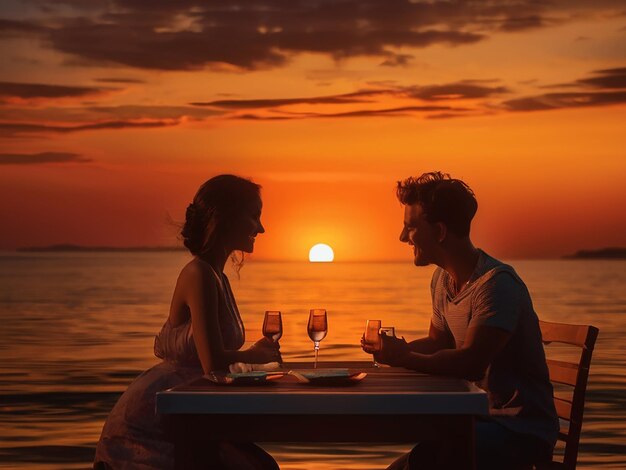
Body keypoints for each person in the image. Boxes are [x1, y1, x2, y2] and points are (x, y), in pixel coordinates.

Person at [362, 172, 559, 469]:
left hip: (519, 433)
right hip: (476, 421)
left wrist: (406, 357)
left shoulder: (497, 284)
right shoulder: (442, 280)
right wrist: (392, 354)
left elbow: (470, 363)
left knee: (423, 462)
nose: (403, 237)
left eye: (411, 227)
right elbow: (437, 343)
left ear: (440, 231)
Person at [94, 174, 282, 470]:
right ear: (227, 218)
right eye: (254, 216)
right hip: (159, 422)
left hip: (194, 406)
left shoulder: (216, 276)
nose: (261, 227)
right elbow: (213, 364)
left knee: (261, 465)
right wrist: (256, 355)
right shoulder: (199, 275)